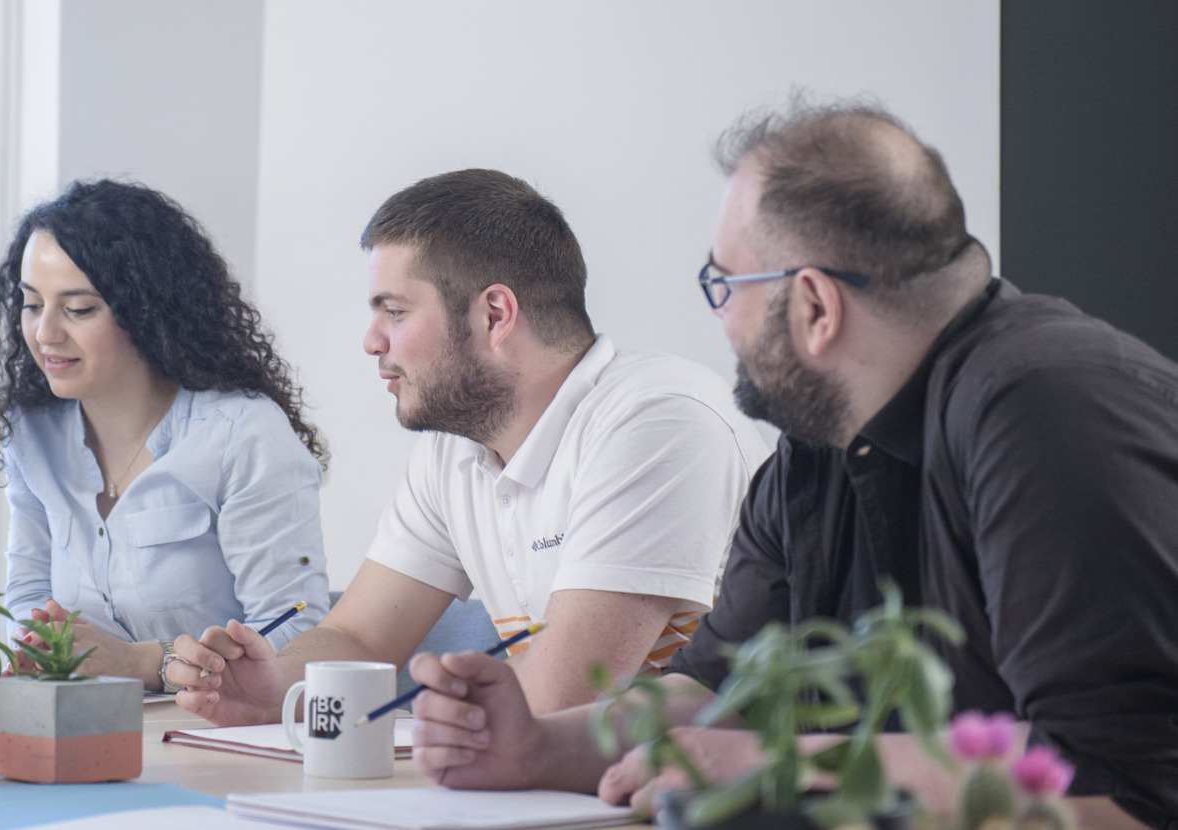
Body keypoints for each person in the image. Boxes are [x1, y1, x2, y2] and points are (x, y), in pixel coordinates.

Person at [406, 101, 1178, 830]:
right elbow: (713, 695)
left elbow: (1122, 791)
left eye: (723, 285)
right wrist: (536, 747)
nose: (719, 317)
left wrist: (783, 764)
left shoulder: (1043, 415)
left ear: (814, 305)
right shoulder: (818, 446)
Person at [169, 169, 770, 725]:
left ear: (495, 314)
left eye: (395, 312)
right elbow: (358, 640)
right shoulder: (453, 452)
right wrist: (275, 687)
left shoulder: (658, 421)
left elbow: (561, 701)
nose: (371, 341)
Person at [0, 179, 331, 691]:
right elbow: (29, 594)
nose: (44, 333)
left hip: (216, 736)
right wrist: (38, 649)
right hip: (84, 724)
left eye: (78, 309)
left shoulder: (242, 435)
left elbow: (295, 628)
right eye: (32, 304)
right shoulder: (33, 434)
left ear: (145, 311)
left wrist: (145, 662)